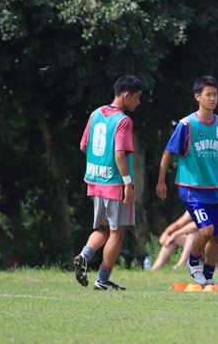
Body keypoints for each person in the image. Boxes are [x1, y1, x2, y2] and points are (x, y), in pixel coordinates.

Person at [156, 76, 218, 288]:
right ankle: (193, 262)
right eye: (208, 94)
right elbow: (168, 152)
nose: (212, 98)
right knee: (206, 231)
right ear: (197, 97)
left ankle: (208, 276)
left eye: (215, 94)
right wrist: (161, 181)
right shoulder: (187, 124)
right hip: (191, 189)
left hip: (214, 188)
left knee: (217, 236)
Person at [74, 75, 143, 291]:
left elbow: (83, 146)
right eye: (137, 97)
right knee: (117, 233)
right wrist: (128, 184)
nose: (138, 102)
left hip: (95, 181)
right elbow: (120, 154)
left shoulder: (95, 114)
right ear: (126, 95)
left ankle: (85, 255)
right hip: (115, 184)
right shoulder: (123, 120)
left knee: (102, 228)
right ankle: (102, 280)